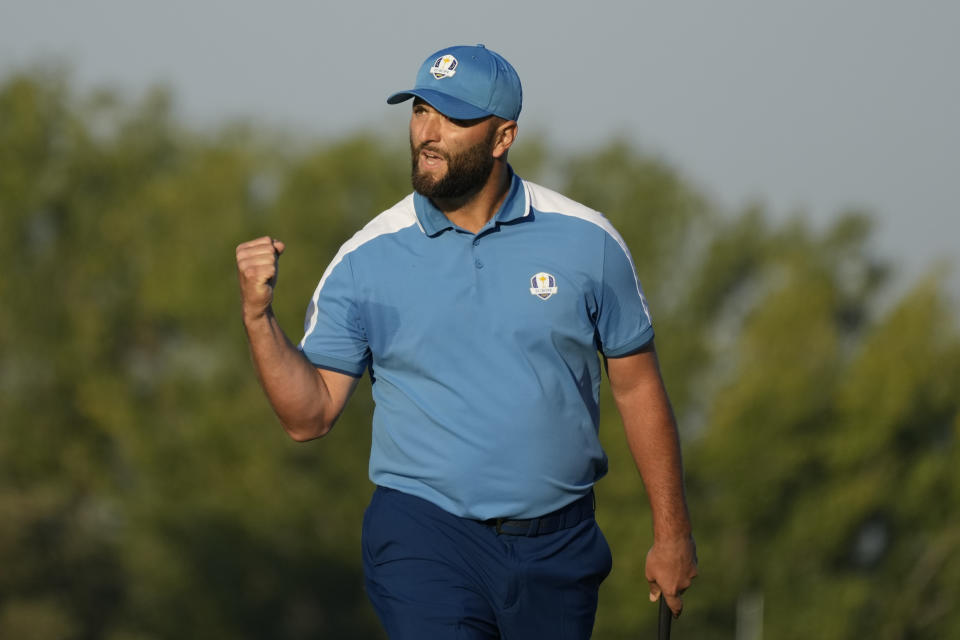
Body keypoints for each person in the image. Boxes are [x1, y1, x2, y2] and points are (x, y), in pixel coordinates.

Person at [236, 44, 697, 639]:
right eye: (420, 110)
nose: (427, 132)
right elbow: (309, 415)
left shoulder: (589, 242)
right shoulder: (364, 259)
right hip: (425, 537)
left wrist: (672, 533)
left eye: (451, 118)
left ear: (503, 136)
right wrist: (258, 319)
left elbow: (637, 389)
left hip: (559, 547)